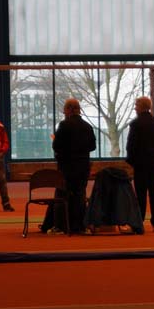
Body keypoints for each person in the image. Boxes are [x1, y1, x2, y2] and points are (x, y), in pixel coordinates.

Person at [42, 98, 96, 234]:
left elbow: (56, 146)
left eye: (64, 109)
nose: (63, 112)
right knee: (80, 196)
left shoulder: (64, 125)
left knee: (62, 194)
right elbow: (93, 146)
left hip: (66, 167)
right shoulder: (87, 126)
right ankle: (79, 226)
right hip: (82, 167)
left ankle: (61, 225)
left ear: (69, 110)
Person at [125, 96, 154, 233]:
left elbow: (130, 145)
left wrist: (131, 161)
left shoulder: (135, 124)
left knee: (140, 194)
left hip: (140, 164)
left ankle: (139, 223)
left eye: (136, 106)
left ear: (140, 107)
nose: (135, 108)